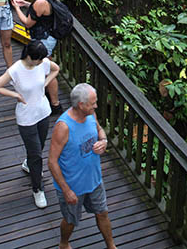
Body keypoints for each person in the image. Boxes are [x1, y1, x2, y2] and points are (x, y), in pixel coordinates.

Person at [0, 40, 60, 209]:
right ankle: (37, 189)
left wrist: (44, 84)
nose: (41, 62)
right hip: (26, 117)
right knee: (36, 154)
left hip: (43, 112)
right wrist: (15, 95)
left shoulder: (42, 63)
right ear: (29, 56)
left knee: (40, 146)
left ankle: (28, 165)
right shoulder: (15, 69)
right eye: (38, 59)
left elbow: (56, 69)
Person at [49, 83, 115, 249]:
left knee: (103, 213)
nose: (96, 106)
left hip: (94, 180)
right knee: (71, 220)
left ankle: (111, 246)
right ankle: (64, 243)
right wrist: (66, 190)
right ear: (81, 105)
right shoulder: (63, 127)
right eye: (93, 103)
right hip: (73, 185)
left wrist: (104, 141)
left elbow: (100, 131)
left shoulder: (91, 115)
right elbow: (52, 161)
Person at [11, 0, 62, 113]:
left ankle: (55, 103)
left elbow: (27, 23)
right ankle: (51, 98)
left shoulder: (40, 1)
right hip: (48, 37)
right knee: (47, 68)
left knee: (48, 70)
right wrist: (27, 5)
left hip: (44, 40)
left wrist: (16, 8)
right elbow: (41, 12)